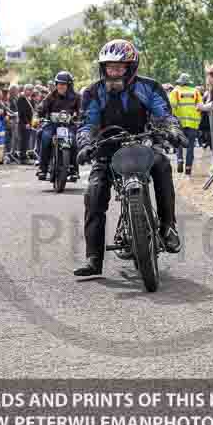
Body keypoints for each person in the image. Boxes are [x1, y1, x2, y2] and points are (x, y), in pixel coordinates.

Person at [74, 39, 186, 277]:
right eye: (109, 67)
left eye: (119, 67)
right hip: (106, 150)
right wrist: (85, 144)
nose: (113, 72)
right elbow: (87, 123)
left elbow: (164, 114)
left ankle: (168, 228)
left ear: (131, 67)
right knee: (94, 195)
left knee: (163, 166)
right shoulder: (93, 92)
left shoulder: (150, 87)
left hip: (142, 144)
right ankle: (93, 258)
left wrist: (173, 131)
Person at [36, 71, 81, 180]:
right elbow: (42, 107)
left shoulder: (76, 97)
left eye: (63, 84)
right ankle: (43, 168)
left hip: (69, 125)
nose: (60, 86)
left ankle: (74, 169)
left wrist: (80, 117)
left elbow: (82, 110)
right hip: (52, 124)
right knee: (46, 138)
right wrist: (40, 112)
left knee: (73, 141)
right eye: (59, 84)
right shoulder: (51, 96)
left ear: (69, 85)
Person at [169, 72, 202, 175]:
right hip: (193, 123)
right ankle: (188, 168)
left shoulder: (175, 91)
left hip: (179, 123)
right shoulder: (196, 92)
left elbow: (172, 106)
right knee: (190, 146)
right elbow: (200, 106)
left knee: (178, 142)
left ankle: (179, 160)